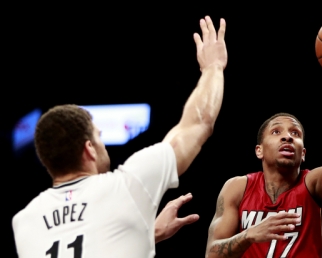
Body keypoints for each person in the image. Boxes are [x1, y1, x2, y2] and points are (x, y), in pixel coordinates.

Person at [12, 15, 227, 258]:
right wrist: (213, 67)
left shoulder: (24, 221)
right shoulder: (127, 186)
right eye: (99, 137)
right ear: (89, 149)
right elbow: (198, 124)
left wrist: (144, 232)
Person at [205, 41, 322, 258]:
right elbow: (212, 254)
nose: (287, 137)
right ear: (259, 150)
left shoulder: (314, 186)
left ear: (303, 154)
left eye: (296, 134)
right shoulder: (237, 188)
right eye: (276, 132)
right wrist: (249, 235)